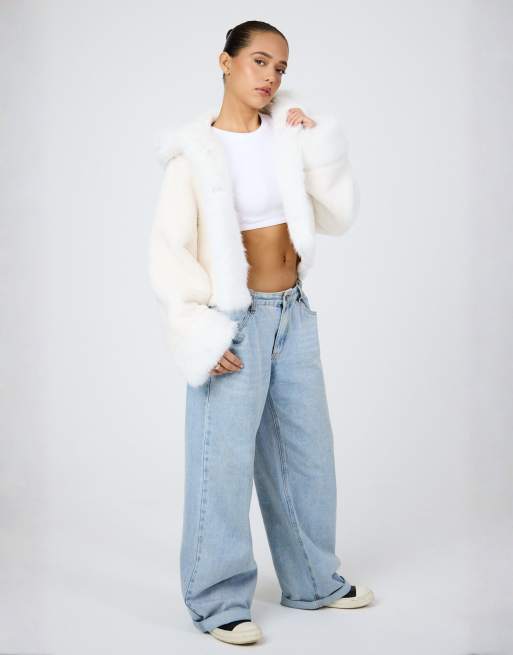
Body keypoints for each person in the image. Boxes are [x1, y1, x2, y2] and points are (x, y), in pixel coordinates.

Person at [149, 20, 374, 645]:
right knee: (221, 465)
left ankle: (313, 580)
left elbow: (337, 217)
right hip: (234, 324)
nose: (270, 76)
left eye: (280, 66)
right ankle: (218, 602)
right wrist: (198, 332)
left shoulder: (286, 137)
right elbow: (169, 250)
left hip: (293, 315)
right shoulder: (193, 155)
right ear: (225, 62)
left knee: (307, 455)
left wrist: (319, 146)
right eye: (259, 61)